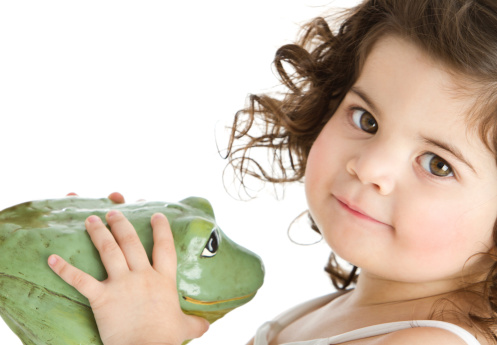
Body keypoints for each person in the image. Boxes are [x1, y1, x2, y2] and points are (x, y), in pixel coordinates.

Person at [47, 0, 497, 344]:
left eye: (438, 164)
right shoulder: (345, 310)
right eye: (366, 120)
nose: (368, 167)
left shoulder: (431, 341)